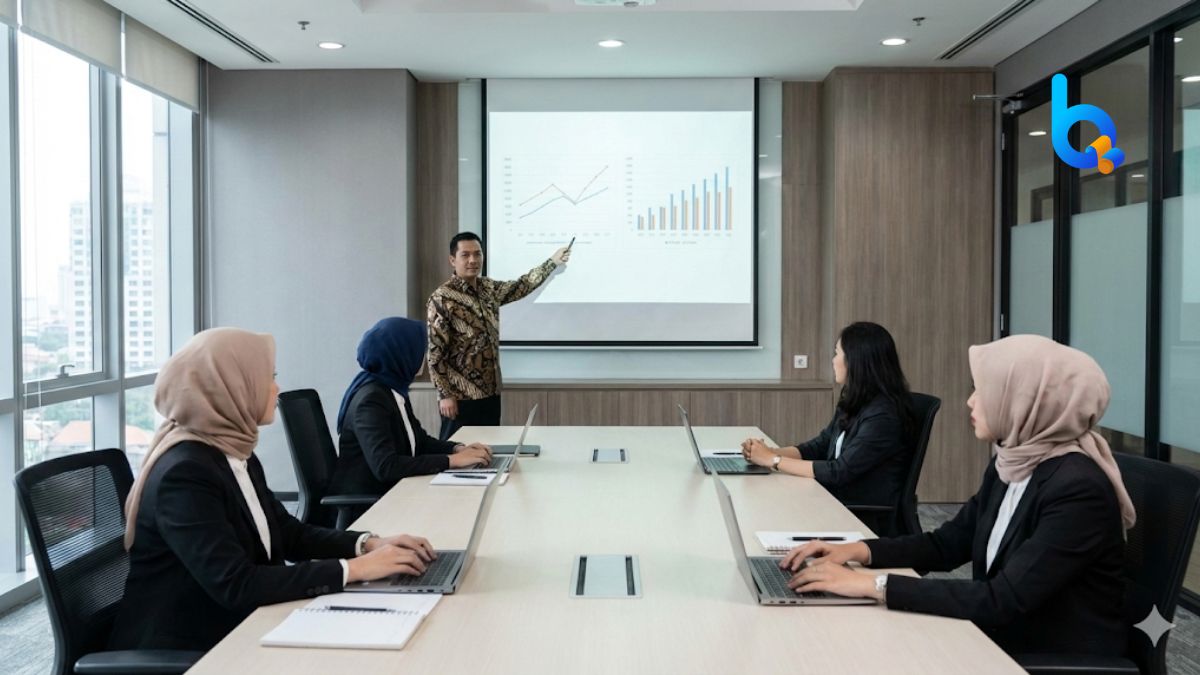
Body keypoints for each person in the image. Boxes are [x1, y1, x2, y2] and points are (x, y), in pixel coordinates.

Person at [780, 334, 1134, 657]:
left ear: (1023, 401)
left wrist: (870, 584)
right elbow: (946, 545)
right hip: (997, 634)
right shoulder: (1012, 463)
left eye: (983, 391)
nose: (970, 401)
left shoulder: (1077, 489)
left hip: (1043, 653)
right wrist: (858, 550)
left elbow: (1003, 599)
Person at [109, 328, 437, 652]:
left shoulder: (233, 452)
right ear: (233, 387)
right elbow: (237, 584)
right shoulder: (184, 474)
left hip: (244, 623)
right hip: (191, 646)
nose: (276, 388)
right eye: (268, 377)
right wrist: (355, 570)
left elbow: (287, 533)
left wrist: (367, 543)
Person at [741, 322, 915, 535]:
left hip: (859, 516)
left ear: (857, 361)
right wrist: (768, 453)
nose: (833, 361)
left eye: (837, 353)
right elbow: (820, 446)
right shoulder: (856, 400)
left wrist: (772, 461)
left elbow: (840, 471)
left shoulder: (884, 415)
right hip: (834, 498)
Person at [329, 317, 493, 512]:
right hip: (370, 506)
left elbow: (419, 441)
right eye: (421, 349)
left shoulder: (391, 390)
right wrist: (451, 461)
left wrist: (457, 449)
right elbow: (386, 466)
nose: (425, 356)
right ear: (403, 354)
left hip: (396, 491)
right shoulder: (370, 400)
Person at [427, 232, 571, 441]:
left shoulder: (488, 289)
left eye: (478, 254)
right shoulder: (441, 298)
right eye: (465, 255)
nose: (473, 260)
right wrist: (444, 395)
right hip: (460, 396)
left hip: (491, 391)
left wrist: (552, 262)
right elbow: (434, 351)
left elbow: (522, 285)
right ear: (452, 260)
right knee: (457, 453)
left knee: (489, 449)